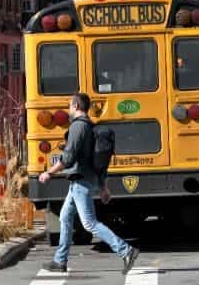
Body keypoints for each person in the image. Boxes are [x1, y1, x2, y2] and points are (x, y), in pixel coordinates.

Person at [38, 93, 139, 274]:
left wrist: (49, 173)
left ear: (76, 106)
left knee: (89, 223)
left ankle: (126, 250)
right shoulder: (90, 127)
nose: (69, 109)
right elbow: (97, 161)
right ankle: (60, 261)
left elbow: (68, 158)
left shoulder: (78, 127)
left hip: (81, 182)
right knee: (65, 217)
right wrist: (103, 187)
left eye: (70, 105)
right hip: (84, 180)